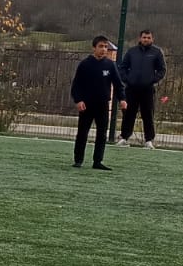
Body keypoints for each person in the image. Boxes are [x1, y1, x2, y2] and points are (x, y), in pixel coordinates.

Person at [71, 36, 125, 169]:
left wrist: (122, 99)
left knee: (102, 133)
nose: (104, 49)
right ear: (94, 48)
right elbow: (76, 85)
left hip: (102, 105)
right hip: (87, 105)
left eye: (106, 47)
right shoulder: (85, 64)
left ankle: (97, 161)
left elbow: (118, 84)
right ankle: (78, 160)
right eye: (101, 46)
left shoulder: (110, 65)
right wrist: (78, 100)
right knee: (82, 132)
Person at [116, 28, 165, 147]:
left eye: (148, 38)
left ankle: (149, 140)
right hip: (131, 89)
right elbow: (122, 67)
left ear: (152, 39)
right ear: (140, 38)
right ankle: (124, 137)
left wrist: (152, 80)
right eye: (144, 37)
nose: (146, 39)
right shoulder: (132, 52)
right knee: (128, 113)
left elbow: (162, 70)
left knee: (148, 114)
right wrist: (127, 79)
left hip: (147, 89)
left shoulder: (156, 52)